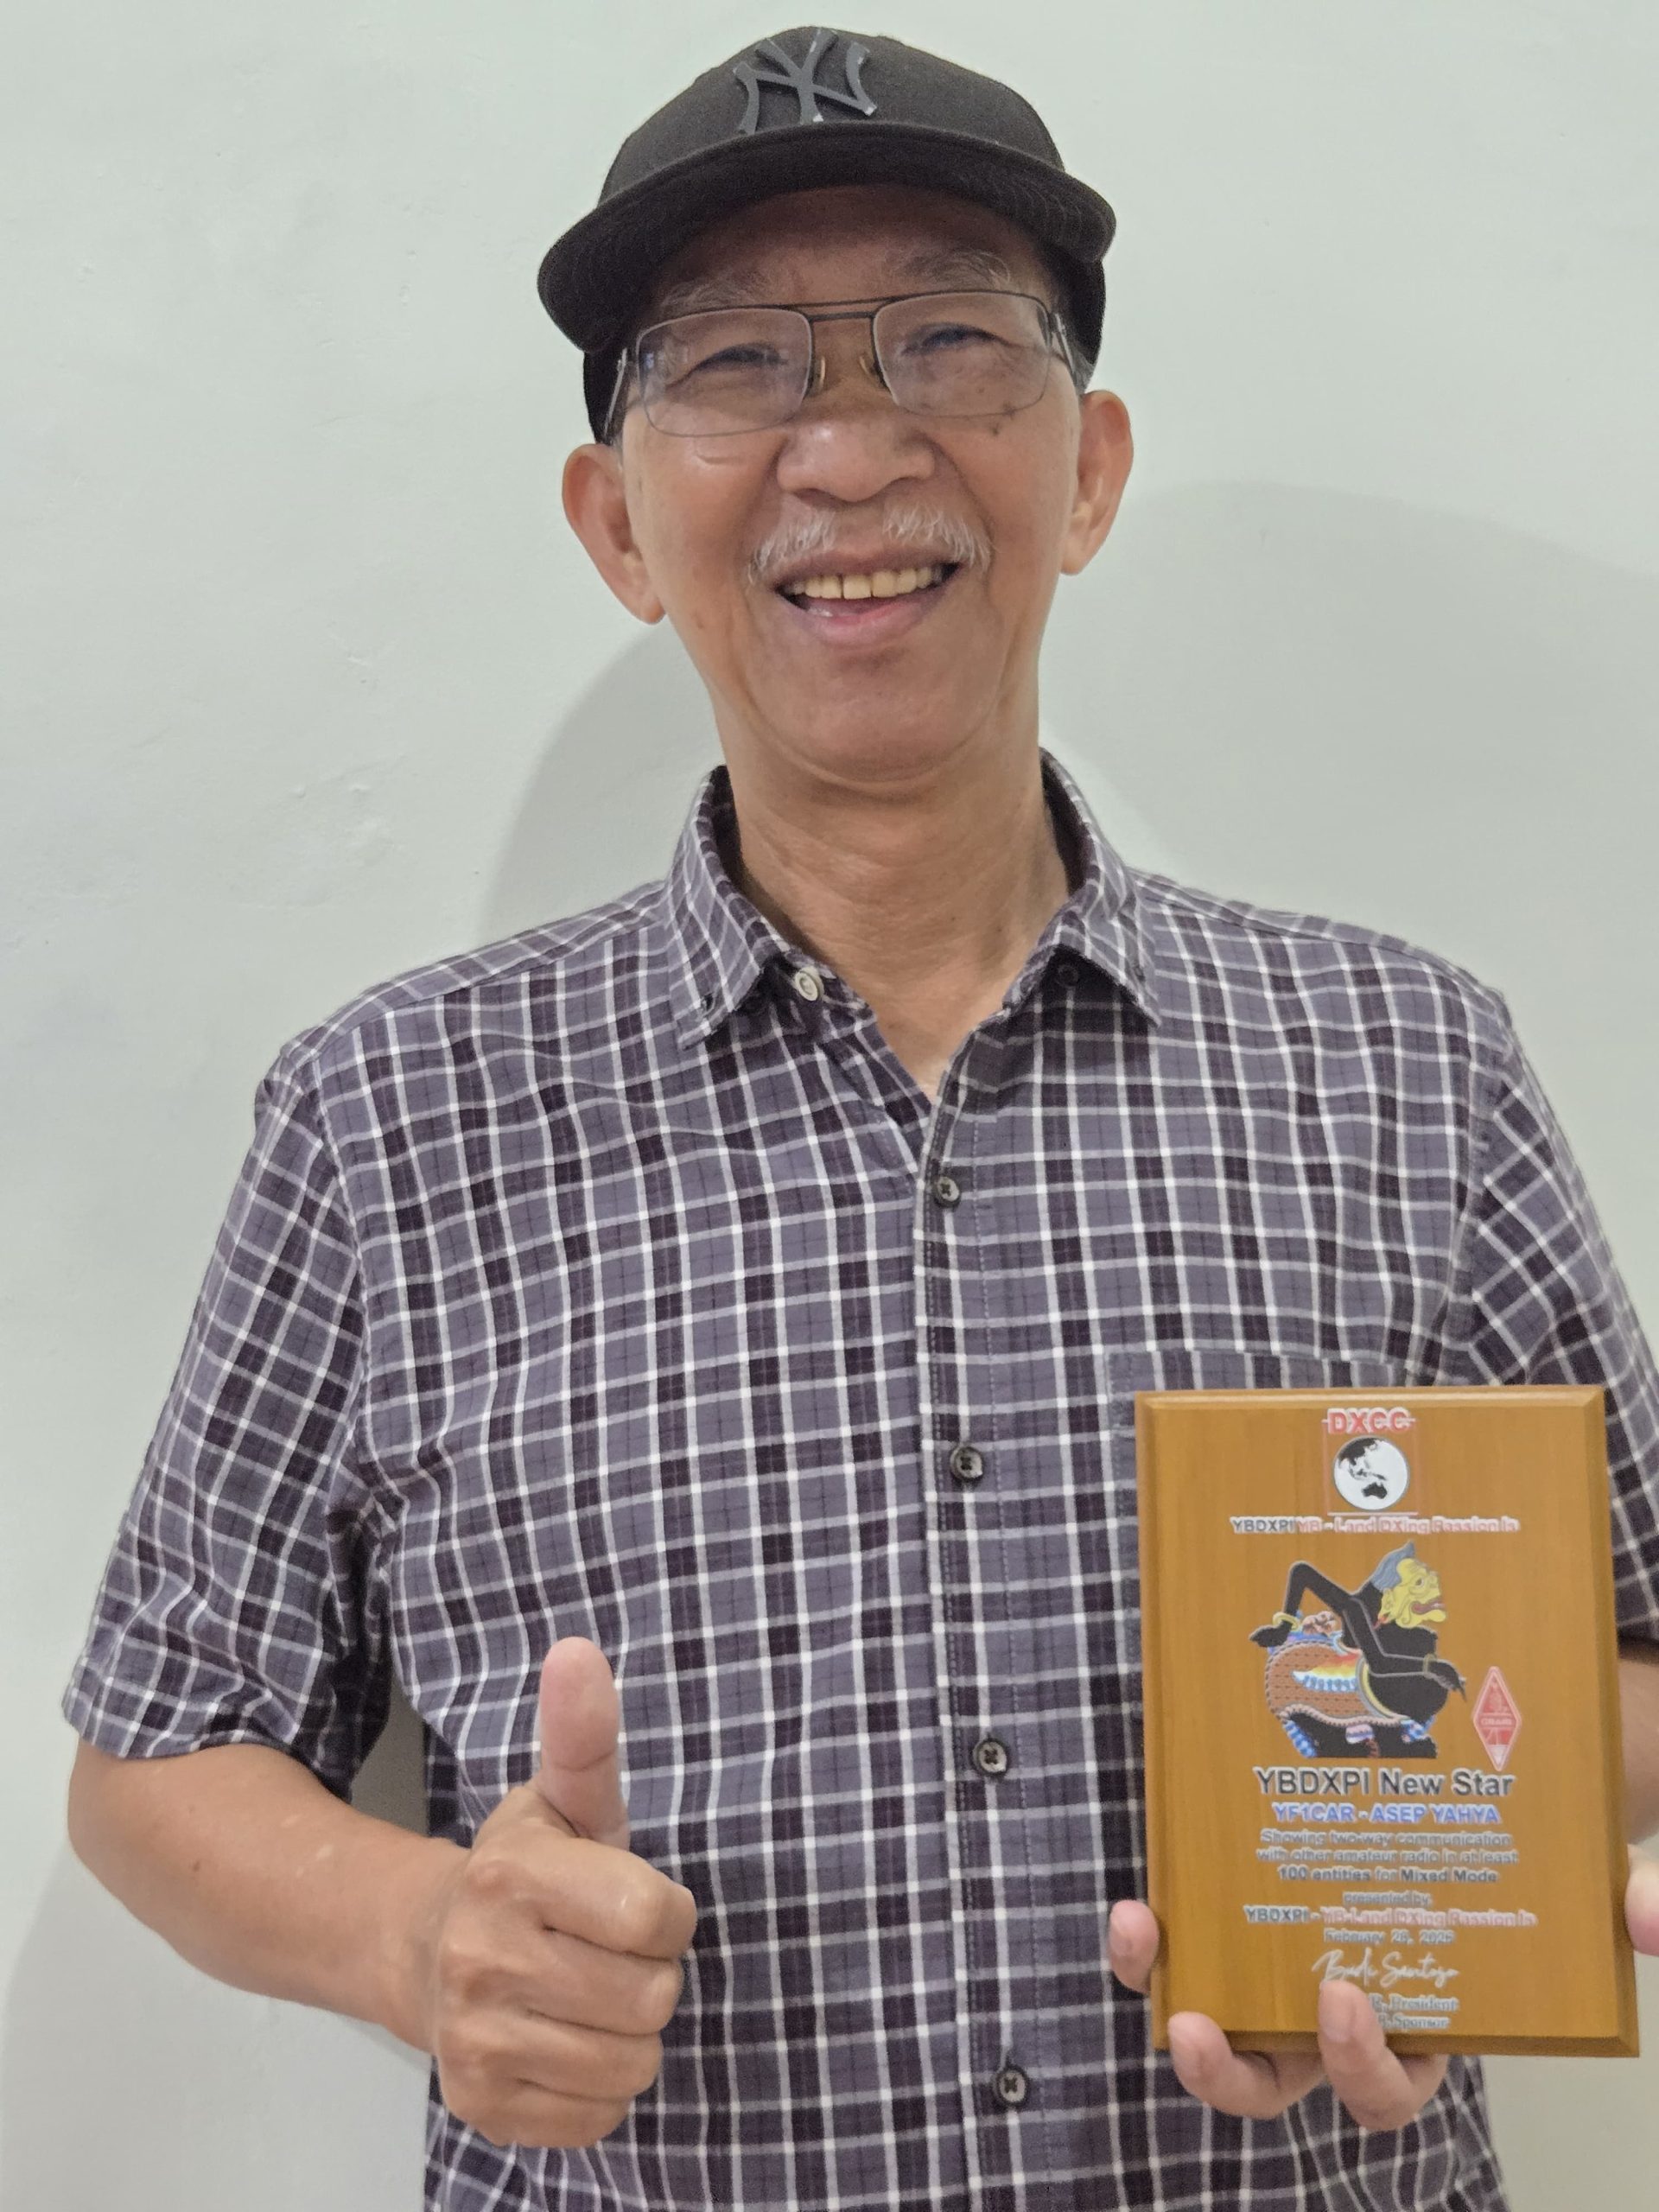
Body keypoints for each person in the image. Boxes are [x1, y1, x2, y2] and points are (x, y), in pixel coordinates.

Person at [60, 24, 1659, 2212]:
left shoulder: (1407, 1066)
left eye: (950, 337)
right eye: (735, 363)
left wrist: (1437, 1860)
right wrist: (422, 1935)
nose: (848, 445)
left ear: (1086, 469)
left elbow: (1637, 1646)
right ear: (618, 522)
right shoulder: (391, 1114)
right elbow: (158, 1750)